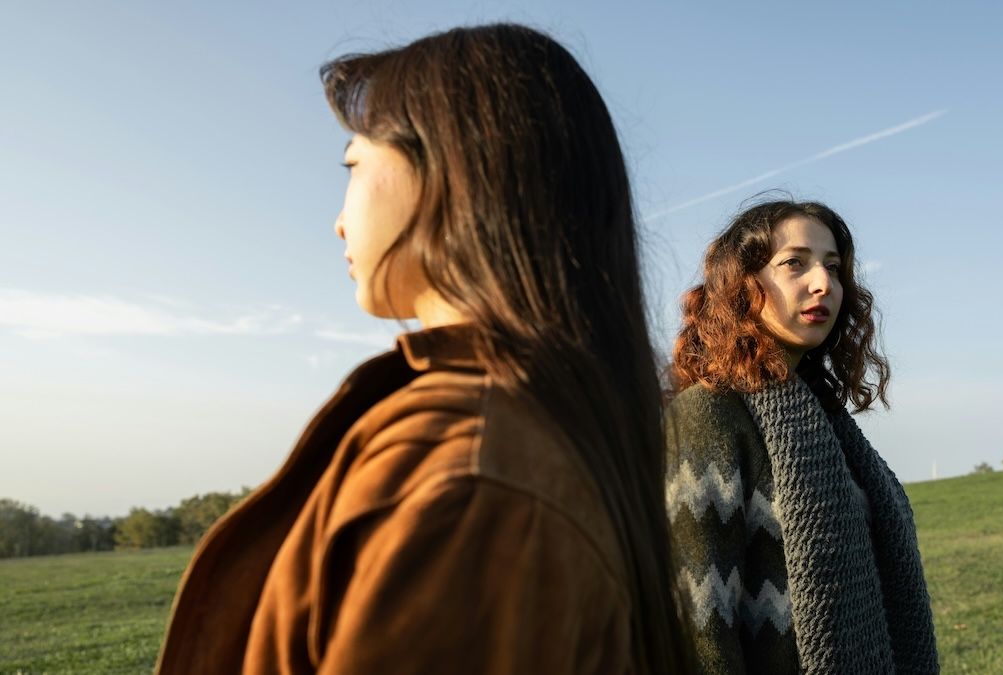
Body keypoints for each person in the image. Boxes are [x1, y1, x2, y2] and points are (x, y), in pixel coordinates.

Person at [156, 24, 694, 675]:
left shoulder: (471, 472)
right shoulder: (521, 430)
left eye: (353, 165)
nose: (338, 219)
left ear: (453, 170)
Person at [667, 199, 939, 673]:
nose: (823, 284)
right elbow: (699, 626)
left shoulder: (828, 423)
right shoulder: (707, 415)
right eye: (795, 262)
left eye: (833, 269)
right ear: (742, 283)